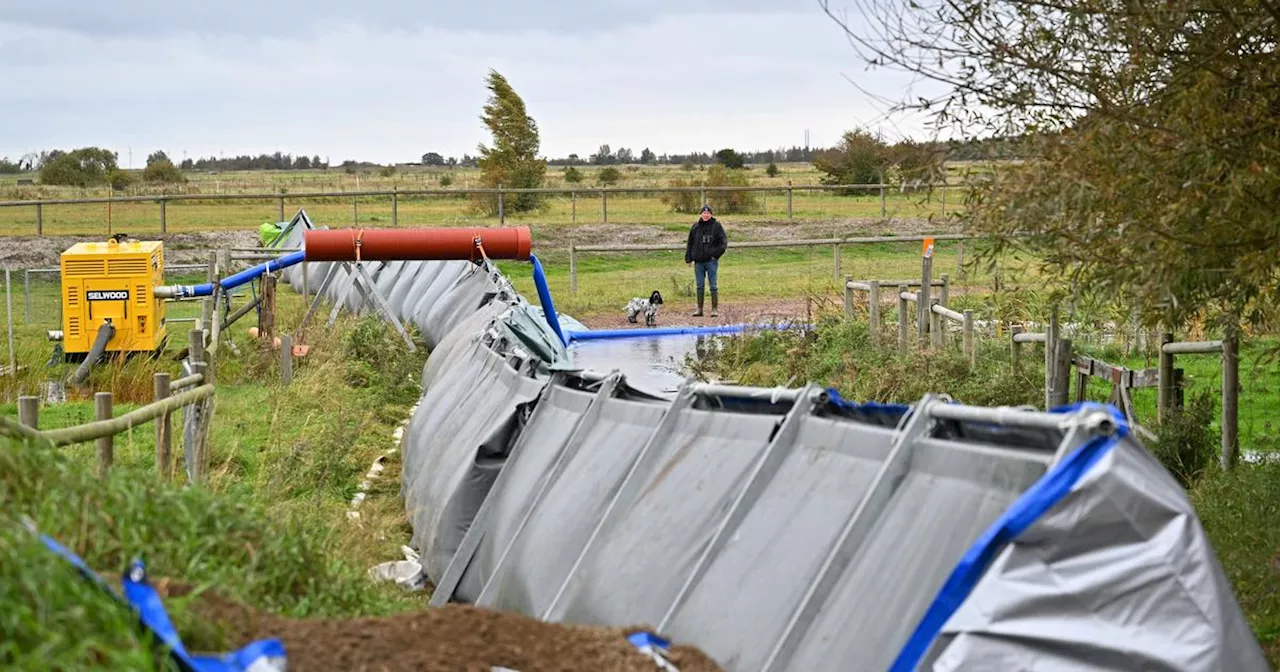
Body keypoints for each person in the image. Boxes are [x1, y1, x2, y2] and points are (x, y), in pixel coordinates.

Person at [684, 204, 728, 317]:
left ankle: (714, 309)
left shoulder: (717, 226)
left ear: (711, 214)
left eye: (708, 213)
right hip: (699, 261)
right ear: (701, 214)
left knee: (713, 285)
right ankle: (699, 309)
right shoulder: (695, 227)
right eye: (704, 213)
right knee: (699, 285)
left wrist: (715, 255)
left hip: (711, 261)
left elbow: (723, 243)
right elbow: (690, 243)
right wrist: (688, 257)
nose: (706, 215)